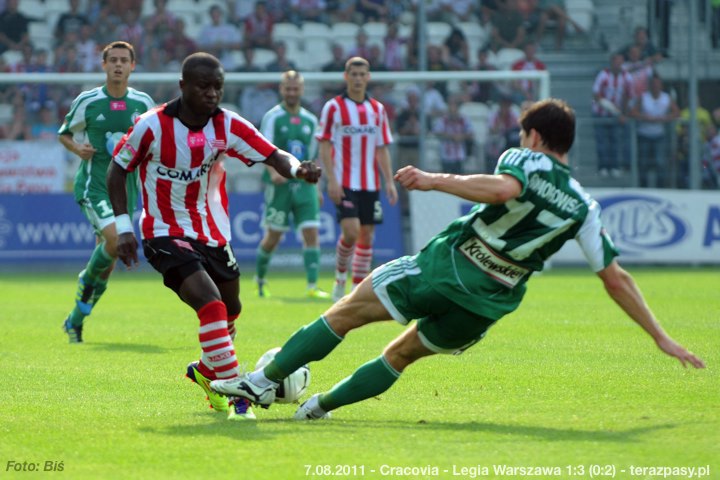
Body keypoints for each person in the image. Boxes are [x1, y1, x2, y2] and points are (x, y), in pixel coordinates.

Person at [209, 98, 706, 420]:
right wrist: (661, 337)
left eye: (520, 134)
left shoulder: (525, 161)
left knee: (345, 313)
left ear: (534, 137)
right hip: (490, 303)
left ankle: (257, 385)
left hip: (450, 264)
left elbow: (504, 188)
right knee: (401, 355)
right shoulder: (584, 205)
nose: (518, 141)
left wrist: (434, 179)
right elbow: (615, 278)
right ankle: (317, 409)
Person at [107, 52, 322, 420]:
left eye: (217, 87)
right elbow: (118, 169)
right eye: (203, 86)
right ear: (183, 86)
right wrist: (124, 227)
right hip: (163, 231)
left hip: (212, 233)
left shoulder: (227, 125)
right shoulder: (151, 126)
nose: (211, 94)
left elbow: (272, 155)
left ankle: (207, 372)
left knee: (231, 310)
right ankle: (240, 397)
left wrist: (298, 168)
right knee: (212, 305)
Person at [58, 41, 155, 344]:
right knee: (114, 241)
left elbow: (155, 139)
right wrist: (78, 148)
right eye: (112, 60)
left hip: (125, 191)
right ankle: (85, 280)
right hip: (94, 187)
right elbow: (64, 134)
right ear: (103, 65)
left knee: (110, 258)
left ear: (132, 65)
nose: (117, 65)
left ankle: (75, 319)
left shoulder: (142, 102)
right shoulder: (89, 101)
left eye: (123, 60)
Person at [316, 56, 398, 302]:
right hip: (344, 181)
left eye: (363, 74)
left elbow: (382, 147)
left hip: (370, 183)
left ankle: (356, 292)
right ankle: (341, 277)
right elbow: (324, 144)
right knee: (351, 232)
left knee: (367, 235)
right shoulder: (334, 107)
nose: (358, 79)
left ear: (368, 77)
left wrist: (389, 181)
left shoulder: (378, 109)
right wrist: (330, 179)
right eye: (354, 74)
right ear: (346, 76)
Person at [255, 71, 330, 300]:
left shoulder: (310, 120)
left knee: (311, 232)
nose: (291, 92)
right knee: (273, 236)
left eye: (295, 88)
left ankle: (312, 285)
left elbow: (312, 156)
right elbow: (263, 147)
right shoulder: (273, 117)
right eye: (288, 88)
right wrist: (272, 172)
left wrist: (316, 187)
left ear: (302, 90)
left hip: (305, 184)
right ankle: (260, 280)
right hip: (280, 185)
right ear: (281, 89)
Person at [630, 74, 679, 188]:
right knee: (643, 163)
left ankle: (660, 187)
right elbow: (633, 112)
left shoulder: (666, 98)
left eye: (657, 84)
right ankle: (643, 186)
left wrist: (665, 118)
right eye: (653, 84)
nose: (655, 86)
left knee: (660, 163)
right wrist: (645, 117)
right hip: (644, 134)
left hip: (659, 135)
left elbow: (676, 112)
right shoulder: (644, 97)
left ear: (660, 85)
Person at [591, 52, 634, 178]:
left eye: (620, 62)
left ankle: (614, 166)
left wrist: (624, 113)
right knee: (602, 142)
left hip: (617, 115)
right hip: (601, 114)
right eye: (616, 62)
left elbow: (628, 96)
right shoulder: (604, 75)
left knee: (615, 141)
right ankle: (603, 167)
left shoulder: (626, 77)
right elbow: (596, 95)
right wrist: (617, 112)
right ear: (611, 62)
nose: (618, 65)